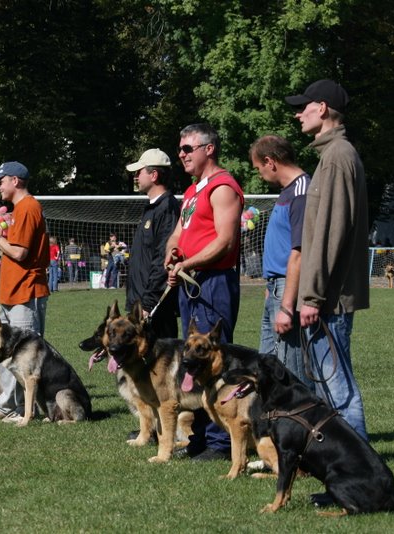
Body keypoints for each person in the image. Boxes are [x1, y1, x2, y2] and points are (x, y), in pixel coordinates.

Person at [285, 79, 369, 442]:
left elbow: (329, 235)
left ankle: (359, 465)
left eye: (303, 107)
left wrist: (312, 296)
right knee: (331, 389)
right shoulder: (333, 155)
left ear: (321, 108)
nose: (298, 114)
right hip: (327, 298)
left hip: (328, 300)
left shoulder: (336, 157)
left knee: (338, 390)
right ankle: (344, 462)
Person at [165, 123, 244, 461]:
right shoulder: (192, 190)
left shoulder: (223, 187)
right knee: (193, 362)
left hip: (213, 282)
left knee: (214, 361)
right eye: (180, 149)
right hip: (192, 282)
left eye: (188, 148)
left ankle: (221, 441)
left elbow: (224, 241)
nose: (181, 155)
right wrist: (173, 254)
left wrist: (188, 263)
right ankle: (200, 436)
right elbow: (178, 233)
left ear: (208, 149)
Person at [0, 161, 50, 423]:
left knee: (23, 355)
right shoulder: (19, 210)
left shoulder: (28, 208)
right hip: (12, 291)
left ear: (15, 181)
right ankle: (6, 405)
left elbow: (20, 253)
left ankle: (22, 409)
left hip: (26, 291)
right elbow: (12, 247)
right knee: (5, 352)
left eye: (0, 181)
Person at [250, 135, 315, 391]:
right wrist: (271, 286)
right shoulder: (287, 191)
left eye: (259, 167)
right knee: (266, 366)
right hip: (275, 287)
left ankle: (303, 416)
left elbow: (299, 252)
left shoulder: (302, 192)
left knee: (291, 371)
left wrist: (287, 306)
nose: (260, 174)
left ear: (270, 161)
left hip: (287, 289)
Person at [125, 149, 180, 339]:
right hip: (141, 303)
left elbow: (162, 259)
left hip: (155, 308)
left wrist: (148, 304)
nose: (135, 177)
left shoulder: (167, 208)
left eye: (139, 172)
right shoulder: (151, 208)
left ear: (154, 175)